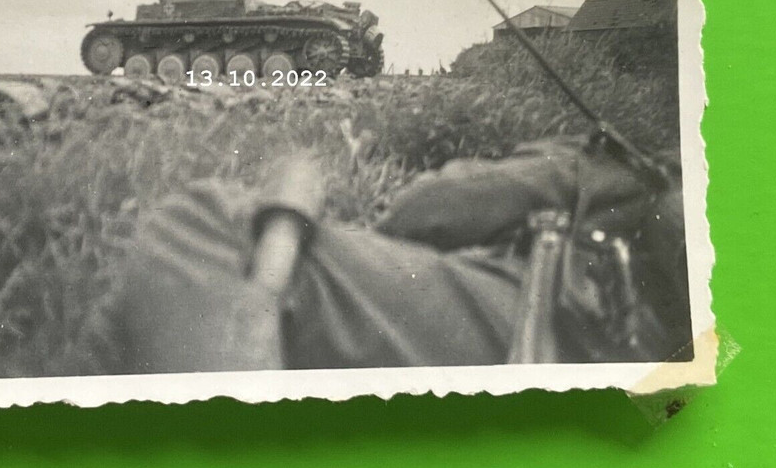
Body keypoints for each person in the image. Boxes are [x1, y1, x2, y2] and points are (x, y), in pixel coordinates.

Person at [99, 135, 691, 374]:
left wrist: (571, 164)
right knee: (111, 337)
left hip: (591, 323)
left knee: (208, 219)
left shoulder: (645, 173)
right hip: (647, 353)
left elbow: (421, 214)